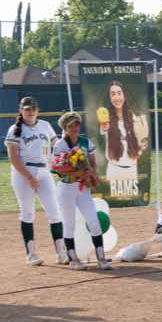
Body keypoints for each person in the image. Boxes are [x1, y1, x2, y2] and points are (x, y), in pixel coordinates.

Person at [4, 96, 67, 267]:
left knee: (55, 212)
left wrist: (66, 141)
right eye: (27, 109)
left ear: (38, 110)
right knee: (27, 213)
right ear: (21, 111)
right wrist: (29, 177)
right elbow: (13, 158)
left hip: (44, 171)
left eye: (33, 108)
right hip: (23, 173)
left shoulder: (45, 125)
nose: (30, 111)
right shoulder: (15, 130)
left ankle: (61, 252)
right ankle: (31, 254)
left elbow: (58, 146)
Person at [54, 111, 112, 270]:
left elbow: (93, 163)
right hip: (66, 188)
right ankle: (73, 259)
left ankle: (101, 258)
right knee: (69, 224)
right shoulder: (60, 145)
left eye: (76, 125)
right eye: (70, 126)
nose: (74, 128)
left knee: (94, 221)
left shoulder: (86, 142)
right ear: (65, 128)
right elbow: (58, 169)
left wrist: (92, 174)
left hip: (82, 188)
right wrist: (78, 172)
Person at [99, 80, 149, 185]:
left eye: (119, 93)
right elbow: (103, 129)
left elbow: (143, 140)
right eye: (113, 94)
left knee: (133, 196)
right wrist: (104, 126)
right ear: (109, 98)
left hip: (132, 169)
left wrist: (139, 150)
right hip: (114, 169)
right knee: (112, 196)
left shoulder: (134, 116)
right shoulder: (106, 116)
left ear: (124, 95)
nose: (117, 97)